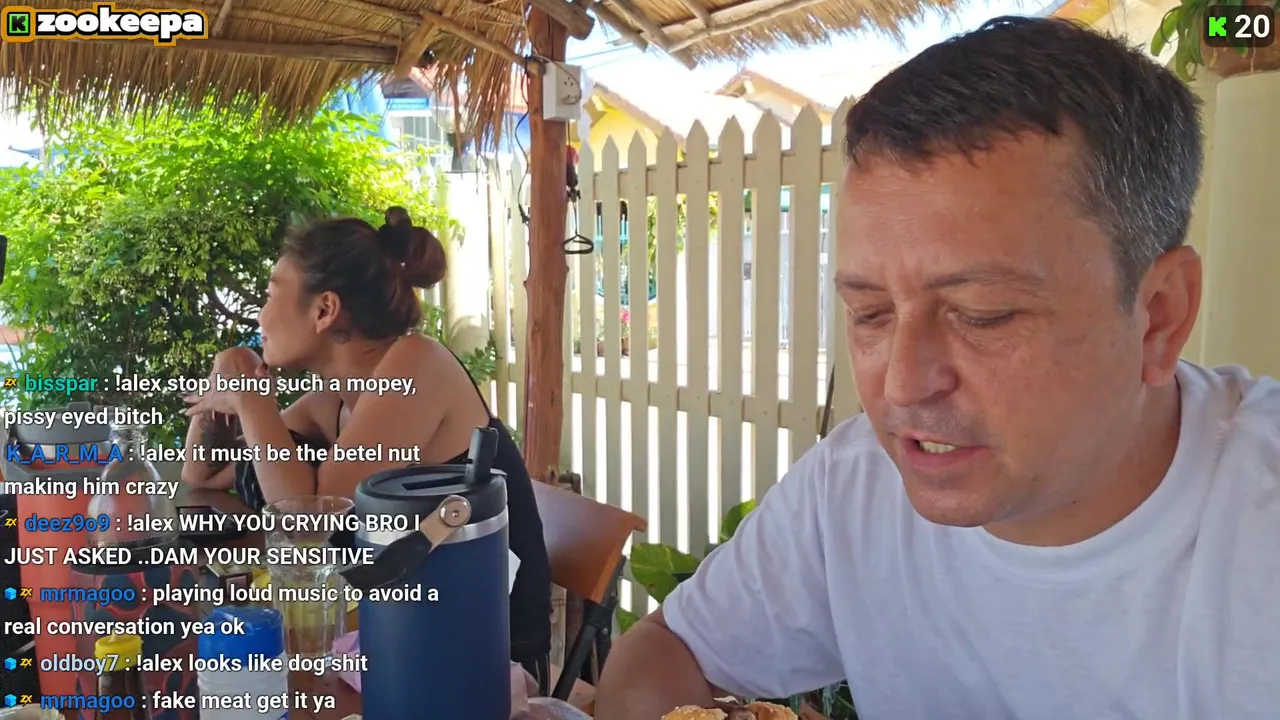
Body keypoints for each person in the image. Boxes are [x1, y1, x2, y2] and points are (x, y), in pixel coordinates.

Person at [597, 16, 1280, 719]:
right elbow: (670, 650)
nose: (900, 385)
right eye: (870, 313)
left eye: (982, 314)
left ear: (1159, 315)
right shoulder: (855, 488)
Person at [179, 207, 553, 686]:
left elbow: (310, 523)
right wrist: (230, 368)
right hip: (396, 634)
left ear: (324, 310)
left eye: (271, 294)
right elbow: (203, 475)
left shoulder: (418, 365)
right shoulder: (333, 401)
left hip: (486, 666)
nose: (260, 315)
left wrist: (252, 403)